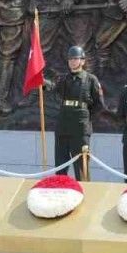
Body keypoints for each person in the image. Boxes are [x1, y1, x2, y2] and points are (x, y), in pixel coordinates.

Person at [51, 45, 103, 180]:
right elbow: (52, 89)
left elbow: (99, 105)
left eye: (75, 59)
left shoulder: (90, 79)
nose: (72, 61)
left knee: (81, 167)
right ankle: (60, 189)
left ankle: (85, 190)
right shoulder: (64, 79)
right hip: (63, 126)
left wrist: (85, 118)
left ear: (82, 61)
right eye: (70, 59)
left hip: (80, 128)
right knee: (60, 165)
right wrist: (42, 83)